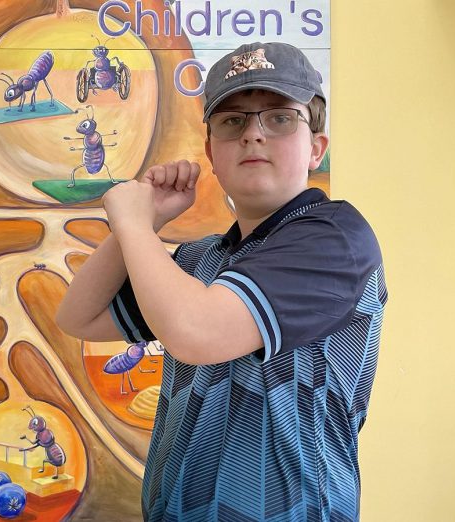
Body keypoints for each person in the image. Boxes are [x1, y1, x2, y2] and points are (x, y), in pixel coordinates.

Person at [57, 41, 387, 522]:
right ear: (211, 152)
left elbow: (198, 332)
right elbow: (78, 316)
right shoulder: (200, 259)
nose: (254, 134)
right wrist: (145, 223)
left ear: (316, 147)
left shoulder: (335, 239)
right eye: (233, 121)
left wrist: (129, 221)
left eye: (279, 118)